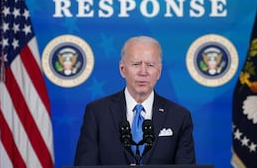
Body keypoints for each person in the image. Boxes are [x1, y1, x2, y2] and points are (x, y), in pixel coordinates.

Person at [74, 35, 196, 166]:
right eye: (136, 64)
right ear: (122, 69)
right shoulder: (97, 113)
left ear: (159, 72)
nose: (143, 72)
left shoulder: (179, 116)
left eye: (150, 65)